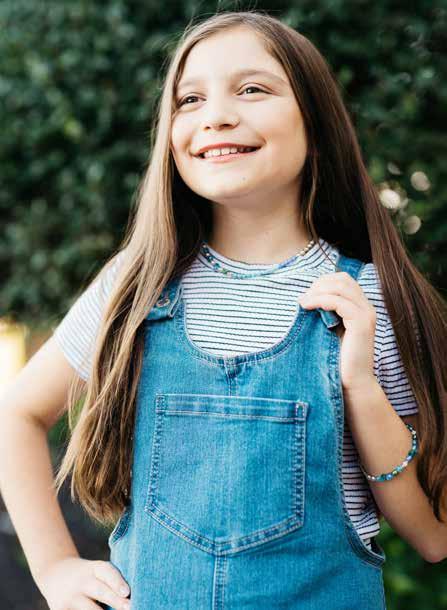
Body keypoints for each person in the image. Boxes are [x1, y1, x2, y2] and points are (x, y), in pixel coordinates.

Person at [1, 9, 446, 610]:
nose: (215, 116)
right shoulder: (134, 286)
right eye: (190, 99)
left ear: (315, 122)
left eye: (252, 89)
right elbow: (17, 415)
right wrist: (54, 567)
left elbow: (432, 535)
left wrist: (361, 385)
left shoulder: (369, 299)